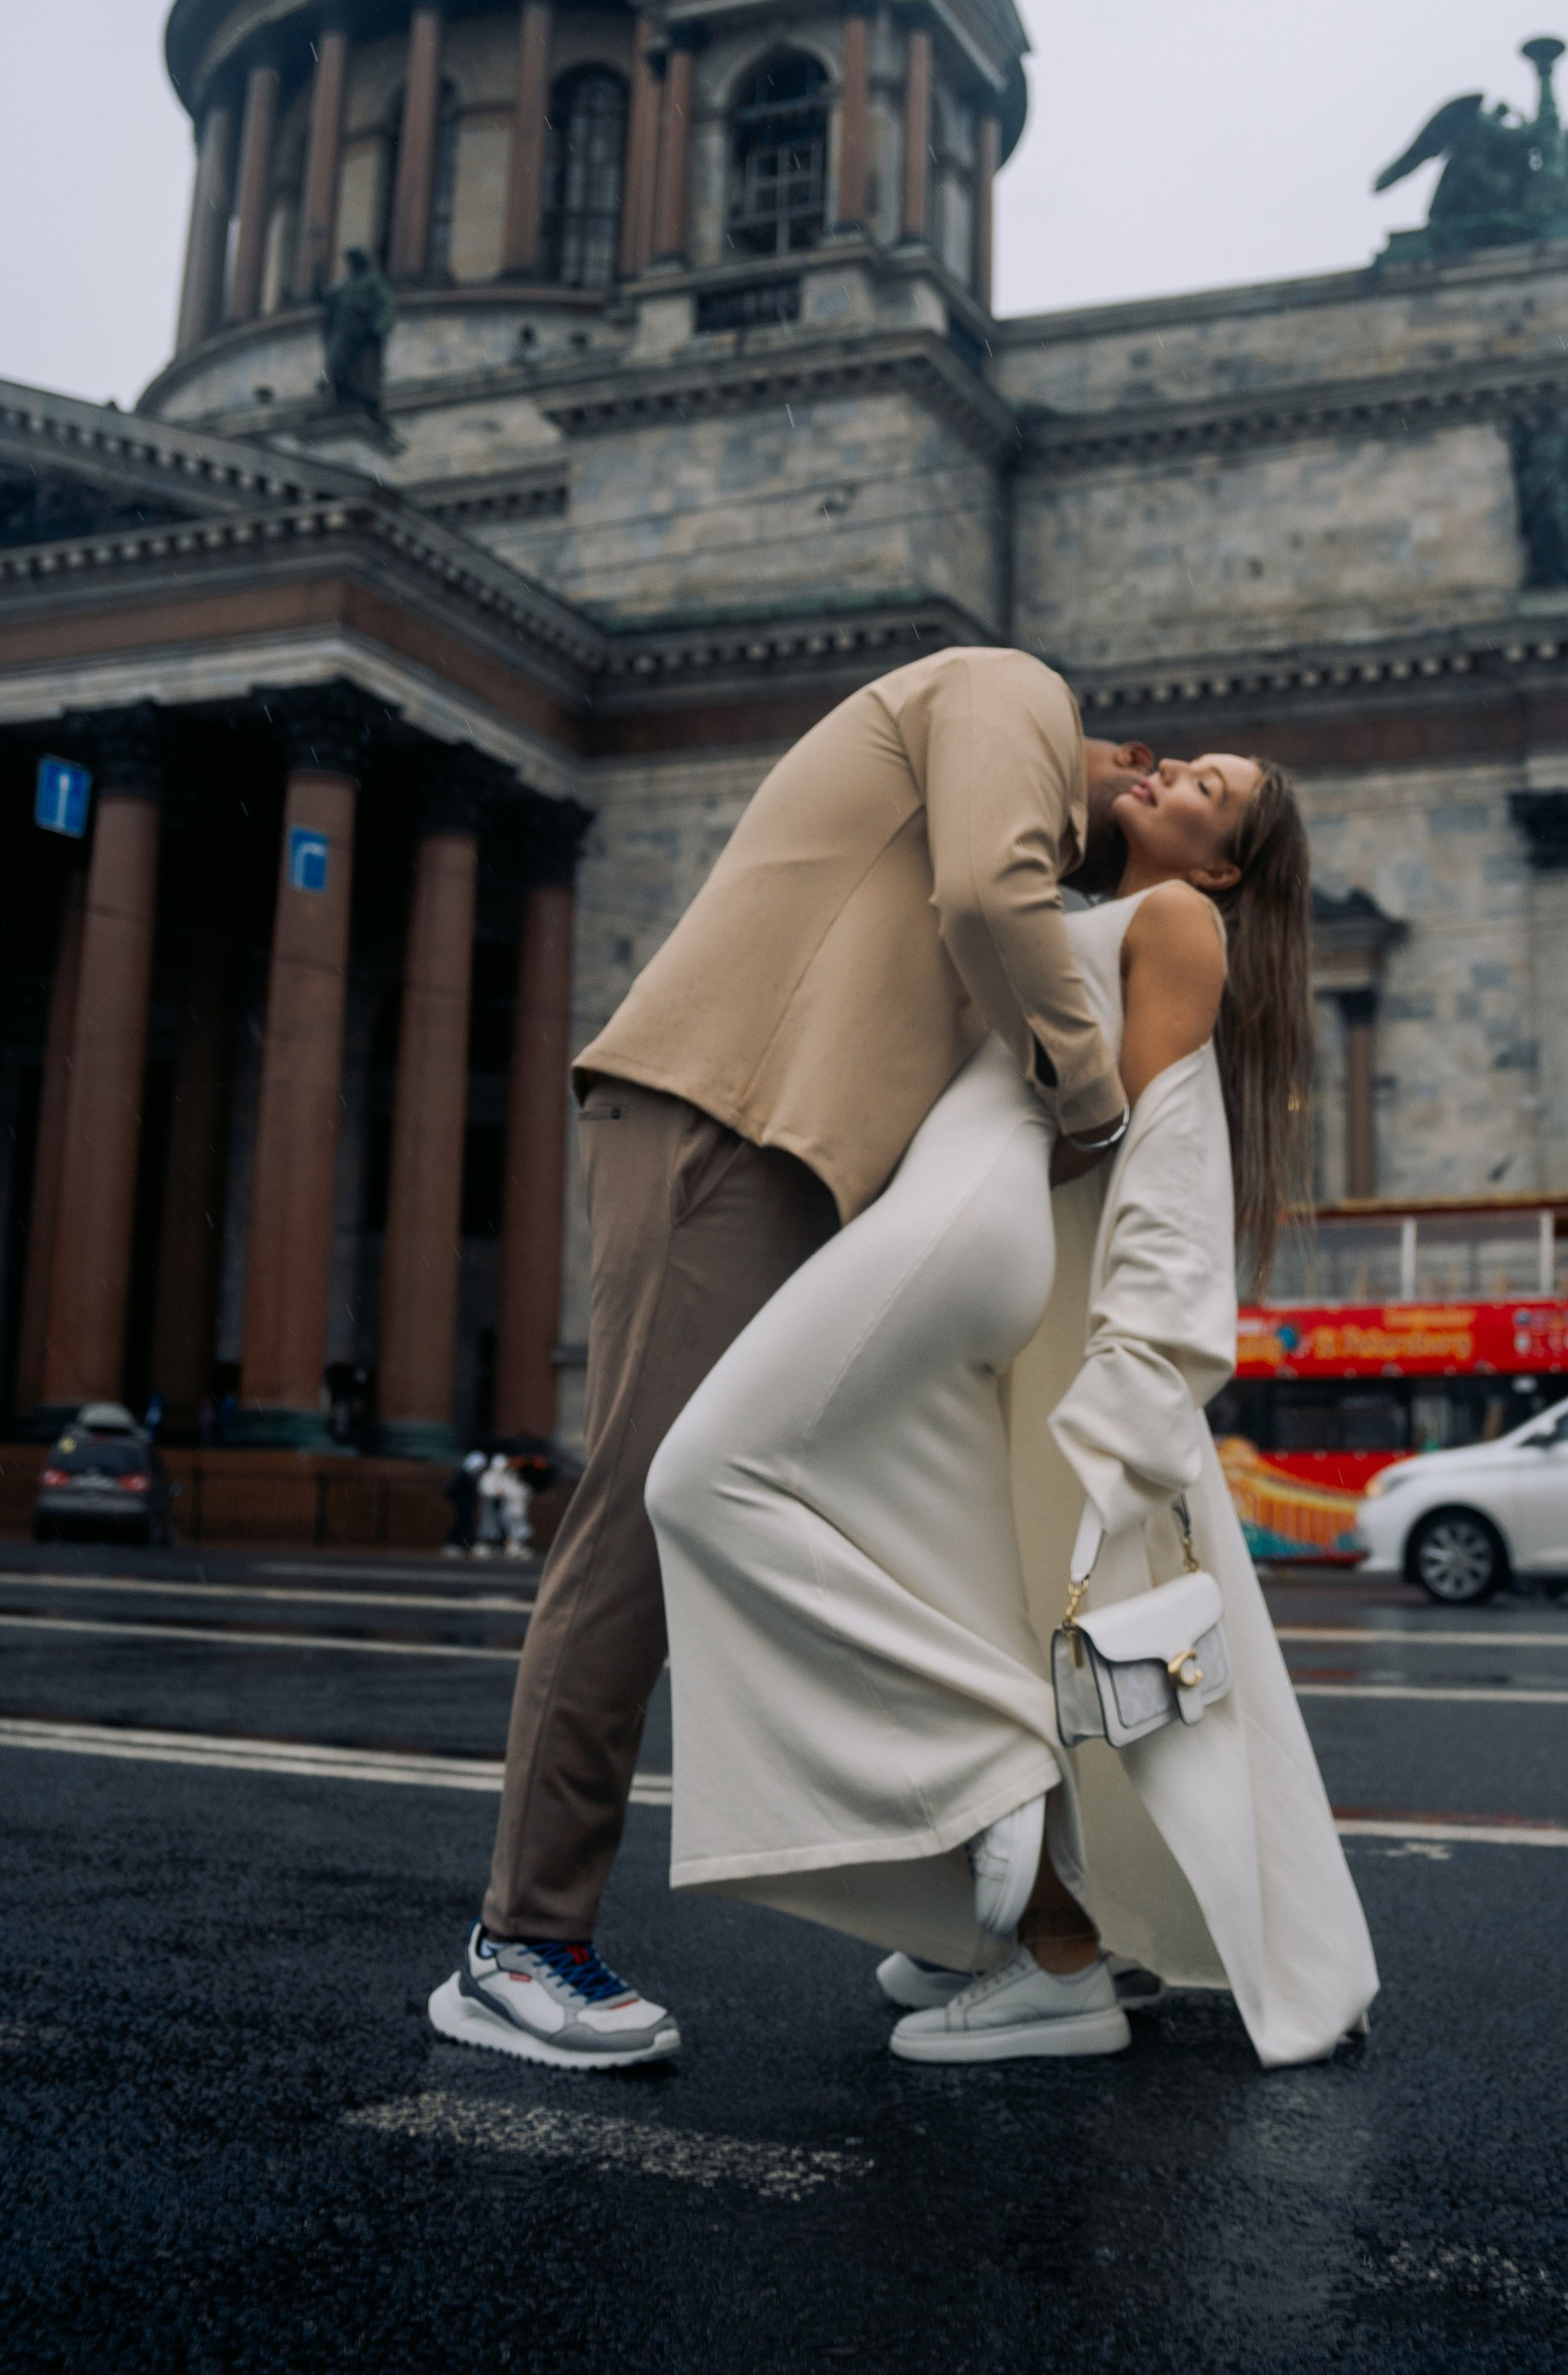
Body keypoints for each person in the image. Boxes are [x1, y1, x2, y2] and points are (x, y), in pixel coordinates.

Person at [428, 647, 1151, 2070]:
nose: (1147, 759)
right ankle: (517, 1943)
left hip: (796, 1159)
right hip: (732, 1120)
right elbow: (986, 892)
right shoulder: (1015, 686)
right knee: (638, 1522)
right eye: (1148, 758)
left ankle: (971, 1894)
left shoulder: (1055, 844)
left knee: (832, 1524)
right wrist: (1098, 1097)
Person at [648, 750, 1380, 2066]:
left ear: (1223, 864)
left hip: (956, 1224)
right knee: (959, 1580)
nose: (1168, 773)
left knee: (703, 1481)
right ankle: (1013, 1923)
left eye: (1207, 789)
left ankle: (1031, 1899)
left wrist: (1145, 1360)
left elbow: (1156, 1145)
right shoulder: (1095, 916)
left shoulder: (1177, 919)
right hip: (961, 1226)